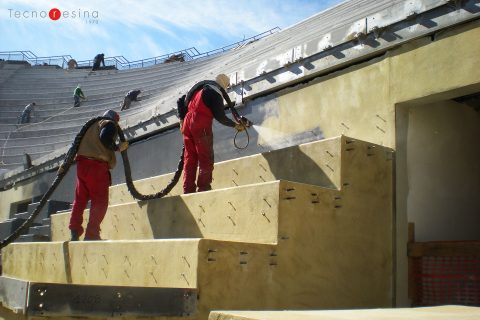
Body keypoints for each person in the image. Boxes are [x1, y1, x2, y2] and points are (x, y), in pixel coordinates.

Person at [62, 110, 129, 241]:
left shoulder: (90, 126)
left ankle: (74, 231)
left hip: (82, 165)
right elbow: (105, 138)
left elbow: (75, 145)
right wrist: (117, 148)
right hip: (96, 166)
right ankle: (92, 235)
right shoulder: (109, 124)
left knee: (80, 199)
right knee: (100, 202)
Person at [179, 74, 244, 194]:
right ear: (223, 84)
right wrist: (235, 125)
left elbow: (180, 100)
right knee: (206, 157)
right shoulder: (215, 92)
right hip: (201, 124)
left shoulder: (199, 89)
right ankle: (204, 188)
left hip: (187, 124)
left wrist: (181, 119)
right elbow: (220, 117)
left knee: (190, 159)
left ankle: (188, 190)